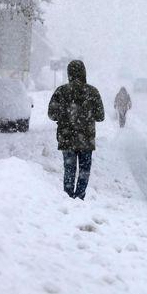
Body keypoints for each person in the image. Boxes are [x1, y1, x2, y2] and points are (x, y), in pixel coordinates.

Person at [48, 60, 105, 200]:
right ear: (84, 72)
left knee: (69, 169)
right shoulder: (92, 92)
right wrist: (87, 115)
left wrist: (64, 116)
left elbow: (51, 114)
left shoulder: (61, 91)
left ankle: (68, 197)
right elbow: (100, 116)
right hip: (86, 139)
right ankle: (80, 197)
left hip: (67, 138)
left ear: (69, 73)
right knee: (84, 170)